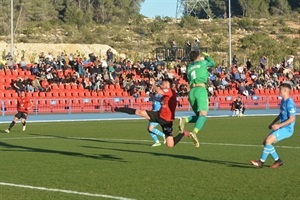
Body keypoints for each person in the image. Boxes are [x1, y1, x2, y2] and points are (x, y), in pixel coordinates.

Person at [114, 78, 187, 148]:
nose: (162, 85)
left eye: (164, 84)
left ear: (168, 85)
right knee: (139, 112)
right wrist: (152, 96)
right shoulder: (165, 95)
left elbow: (159, 91)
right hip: (158, 115)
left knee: (170, 145)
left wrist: (154, 84)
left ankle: (182, 133)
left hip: (167, 121)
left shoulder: (170, 91)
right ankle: (117, 109)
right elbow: (159, 99)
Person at [250, 83, 296, 168]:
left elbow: (292, 119)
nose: (278, 91)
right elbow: (281, 114)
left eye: (280, 89)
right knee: (265, 143)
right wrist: (273, 122)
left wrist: (279, 125)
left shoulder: (289, 102)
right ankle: (278, 160)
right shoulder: (283, 101)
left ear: (285, 91)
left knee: (268, 141)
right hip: (282, 127)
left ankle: (261, 162)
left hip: (287, 129)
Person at [178, 51, 215, 147]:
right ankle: (194, 132)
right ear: (199, 56)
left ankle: (184, 120)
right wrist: (207, 56)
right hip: (200, 90)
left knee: (199, 117)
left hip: (192, 92)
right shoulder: (202, 63)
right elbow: (212, 63)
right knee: (203, 115)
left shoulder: (189, 67)